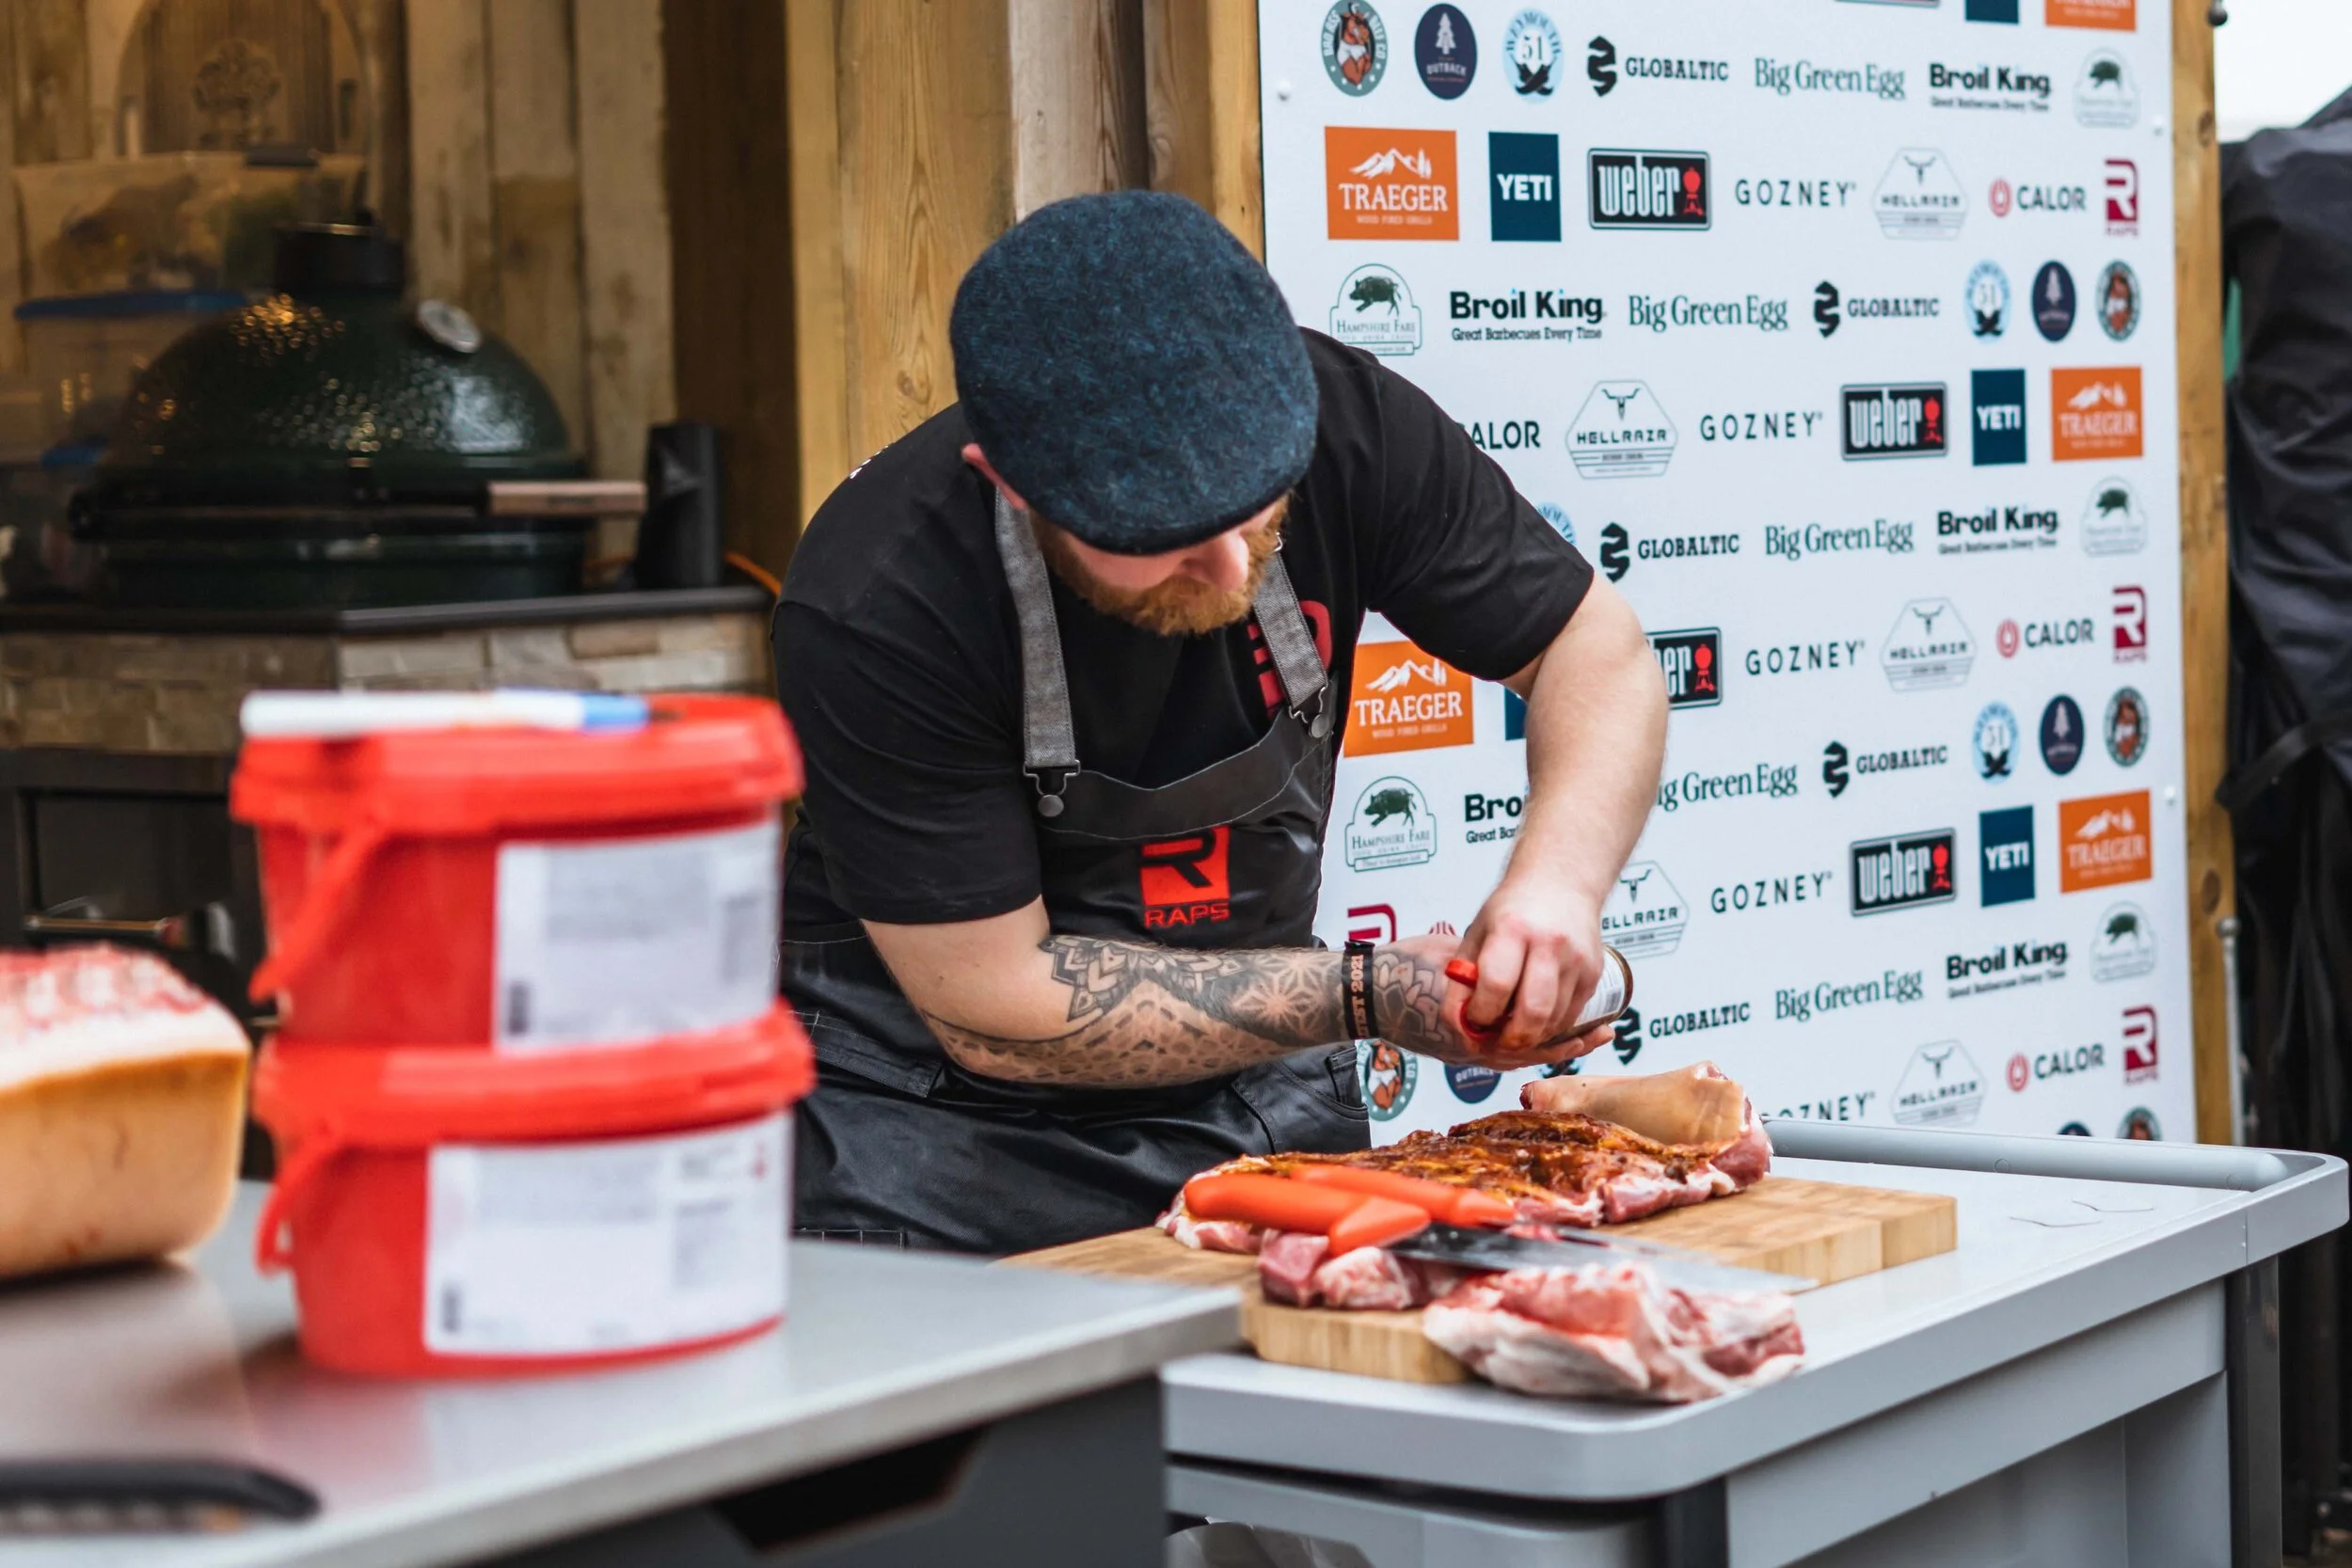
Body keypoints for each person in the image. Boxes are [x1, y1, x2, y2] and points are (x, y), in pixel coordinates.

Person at [774, 192, 1666, 1254]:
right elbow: (996, 1007)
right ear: (1009, 484)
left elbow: (1593, 650)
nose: (1234, 569)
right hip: (928, 1134)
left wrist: (1555, 885)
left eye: (1257, 510)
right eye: (1165, 540)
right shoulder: (879, 598)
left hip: (1248, 1101)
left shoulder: (1352, 423)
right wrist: (1369, 991)